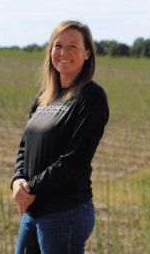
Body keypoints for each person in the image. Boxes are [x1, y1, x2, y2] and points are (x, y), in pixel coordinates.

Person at [11, 20, 109, 254]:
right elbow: (25, 146)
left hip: (66, 212)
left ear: (87, 54)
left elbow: (75, 160)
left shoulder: (90, 97)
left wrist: (30, 189)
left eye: (73, 46)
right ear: (50, 52)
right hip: (35, 211)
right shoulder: (44, 98)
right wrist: (17, 181)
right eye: (58, 45)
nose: (64, 52)